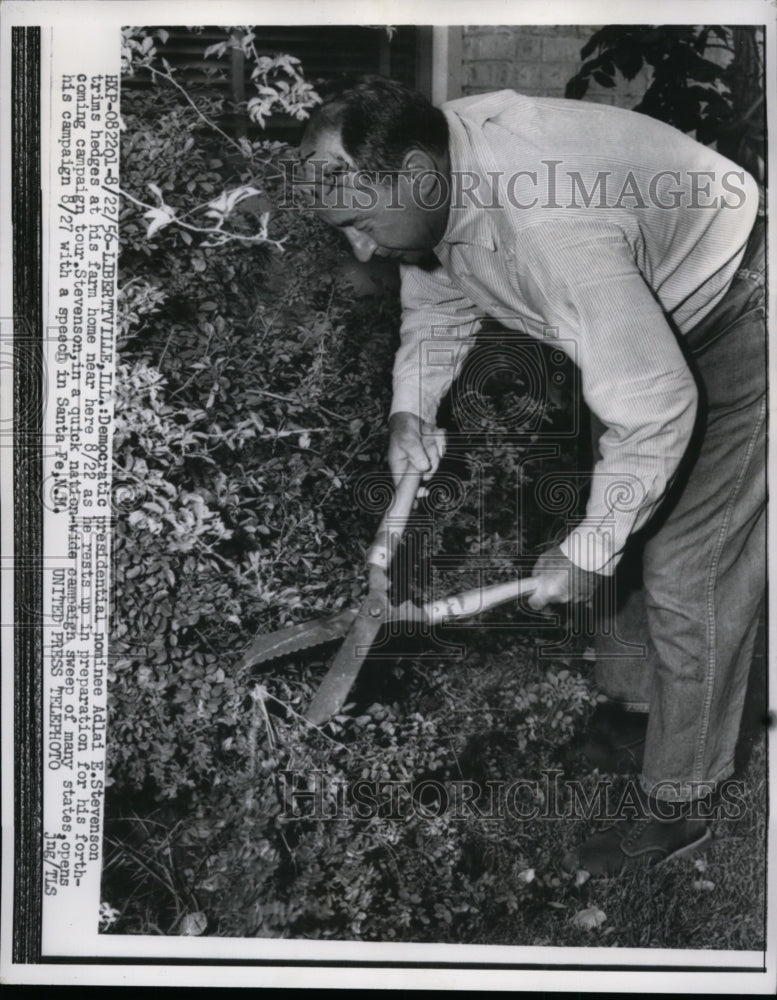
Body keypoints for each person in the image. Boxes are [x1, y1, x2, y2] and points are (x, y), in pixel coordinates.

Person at [296, 77, 766, 876]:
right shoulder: (441, 181)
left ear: (414, 173)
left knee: (690, 560)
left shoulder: (548, 224)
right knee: (622, 515)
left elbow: (655, 406)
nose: (362, 250)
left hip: (738, 307)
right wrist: (411, 406)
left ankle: (683, 795)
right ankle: (643, 711)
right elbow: (438, 299)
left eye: (362, 223)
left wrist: (590, 548)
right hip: (648, 318)